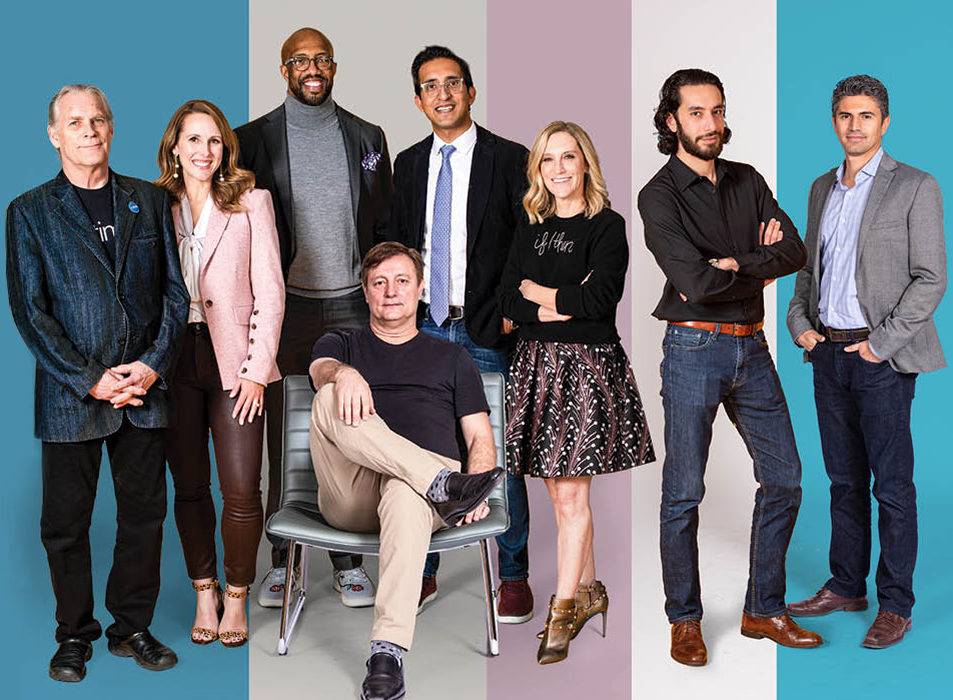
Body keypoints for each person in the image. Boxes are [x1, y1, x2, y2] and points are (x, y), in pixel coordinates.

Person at [637, 68, 821, 666]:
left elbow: (794, 250)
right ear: (672, 121)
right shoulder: (658, 196)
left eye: (717, 111)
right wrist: (756, 264)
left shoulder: (748, 179)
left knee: (786, 477)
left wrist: (736, 261)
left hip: (754, 346)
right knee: (684, 493)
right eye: (697, 113)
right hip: (693, 348)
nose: (712, 123)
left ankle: (762, 608)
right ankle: (683, 620)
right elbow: (691, 281)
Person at [5, 84, 189, 682]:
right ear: (54, 135)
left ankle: (130, 627)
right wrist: (91, 381)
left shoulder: (149, 202)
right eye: (75, 122)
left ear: (112, 129)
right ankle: (73, 635)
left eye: (99, 120)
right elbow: (31, 312)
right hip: (70, 396)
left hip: (143, 390)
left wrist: (153, 364)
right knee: (65, 523)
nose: (90, 130)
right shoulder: (29, 212)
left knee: (144, 516)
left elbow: (174, 295)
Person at [785, 75, 946, 648]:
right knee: (842, 479)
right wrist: (801, 325)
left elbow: (931, 279)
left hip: (881, 357)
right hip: (827, 354)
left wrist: (882, 344)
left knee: (892, 486)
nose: (855, 126)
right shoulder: (820, 187)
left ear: (884, 122)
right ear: (834, 122)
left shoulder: (916, 187)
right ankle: (846, 584)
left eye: (867, 116)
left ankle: (896, 603)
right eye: (846, 116)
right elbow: (809, 270)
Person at [235, 26, 392, 608]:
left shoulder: (366, 136)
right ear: (283, 70)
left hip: (352, 304)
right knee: (285, 434)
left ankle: (347, 560)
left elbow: (386, 225)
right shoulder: (250, 140)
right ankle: (283, 558)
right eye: (300, 60)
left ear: (334, 65)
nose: (312, 67)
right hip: (284, 307)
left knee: (348, 427)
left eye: (322, 58)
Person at [308, 241, 502, 700]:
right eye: (379, 283)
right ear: (366, 292)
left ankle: (386, 652)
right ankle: (442, 485)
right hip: (352, 491)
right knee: (325, 396)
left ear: (419, 290)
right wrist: (344, 374)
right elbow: (319, 369)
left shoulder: (454, 359)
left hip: (416, 501)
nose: (390, 291)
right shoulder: (344, 343)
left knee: (404, 489)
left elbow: (479, 438)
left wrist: (482, 486)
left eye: (401, 281)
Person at [500, 121, 655, 664]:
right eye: (548, 160)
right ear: (538, 170)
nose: (559, 169)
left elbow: (600, 302)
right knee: (557, 494)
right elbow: (507, 303)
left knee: (570, 497)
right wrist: (560, 300)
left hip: (587, 370)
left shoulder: (607, 227)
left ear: (586, 163)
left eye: (569, 157)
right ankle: (590, 588)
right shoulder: (529, 226)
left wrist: (538, 296)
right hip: (535, 368)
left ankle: (561, 610)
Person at [389, 44, 533, 621]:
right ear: (418, 98)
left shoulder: (511, 157)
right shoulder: (407, 164)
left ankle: (513, 572)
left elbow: (526, 244)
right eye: (430, 85)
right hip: (423, 326)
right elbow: (397, 243)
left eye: (453, 83)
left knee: (497, 451)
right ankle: (422, 569)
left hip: (484, 328)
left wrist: (506, 311)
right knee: (422, 449)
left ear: (471, 92)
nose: (442, 94)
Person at [156, 99, 285, 648]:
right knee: (188, 486)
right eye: (193, 140)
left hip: (235, 360)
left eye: (214, 141)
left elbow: (271, 291)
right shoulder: (155, 205)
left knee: (240, 489)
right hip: (173, 360)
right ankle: (203, 589)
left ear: (225, 148)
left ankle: (236, 594)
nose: (204, 151)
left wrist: (256, 372)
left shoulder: (252, 202)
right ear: (175, 148)